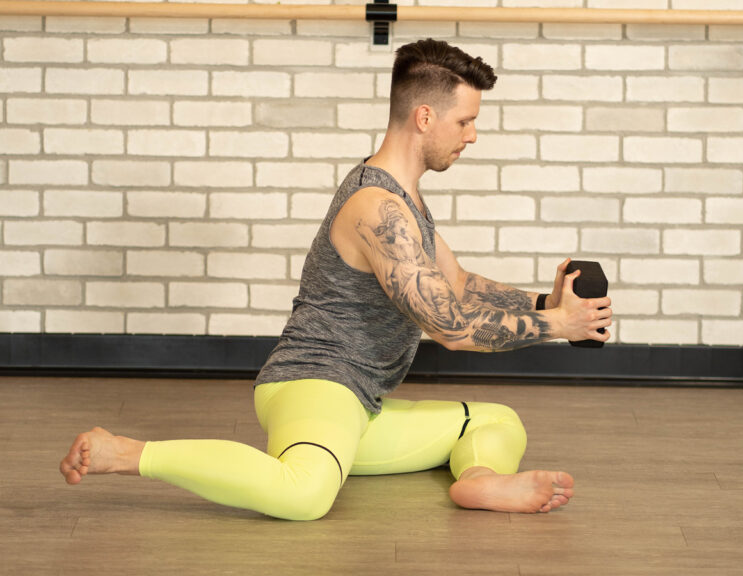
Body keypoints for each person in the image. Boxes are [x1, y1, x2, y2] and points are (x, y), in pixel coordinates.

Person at [60, 38, 612, 521]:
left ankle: (480, 480)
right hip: (316, 384)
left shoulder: (405, 200)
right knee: (304, 494)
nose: (472, 135)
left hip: (360, 401)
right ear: (425, 117)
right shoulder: (377, 207)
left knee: (494, 421)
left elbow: (459, 283)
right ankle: (126, 452)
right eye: (465, 121)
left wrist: (547, 300)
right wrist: (557, 326)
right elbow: (450, 327)